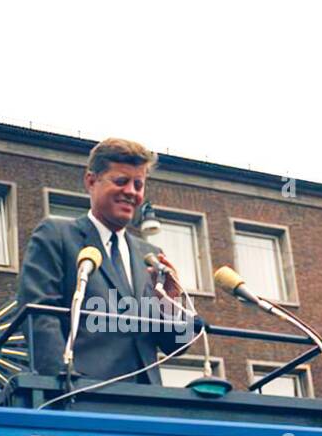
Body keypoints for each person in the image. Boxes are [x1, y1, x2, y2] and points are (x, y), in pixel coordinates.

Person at [17, 138, 201, 383]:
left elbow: (176, 345)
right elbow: (39, 317)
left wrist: (171, 301)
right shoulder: (57, 235)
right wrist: (61, 383)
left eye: (138, 184)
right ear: (91, 181)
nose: (131, 192)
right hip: (82, 393)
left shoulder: (150, 254)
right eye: (121, 181)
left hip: (148, 401)